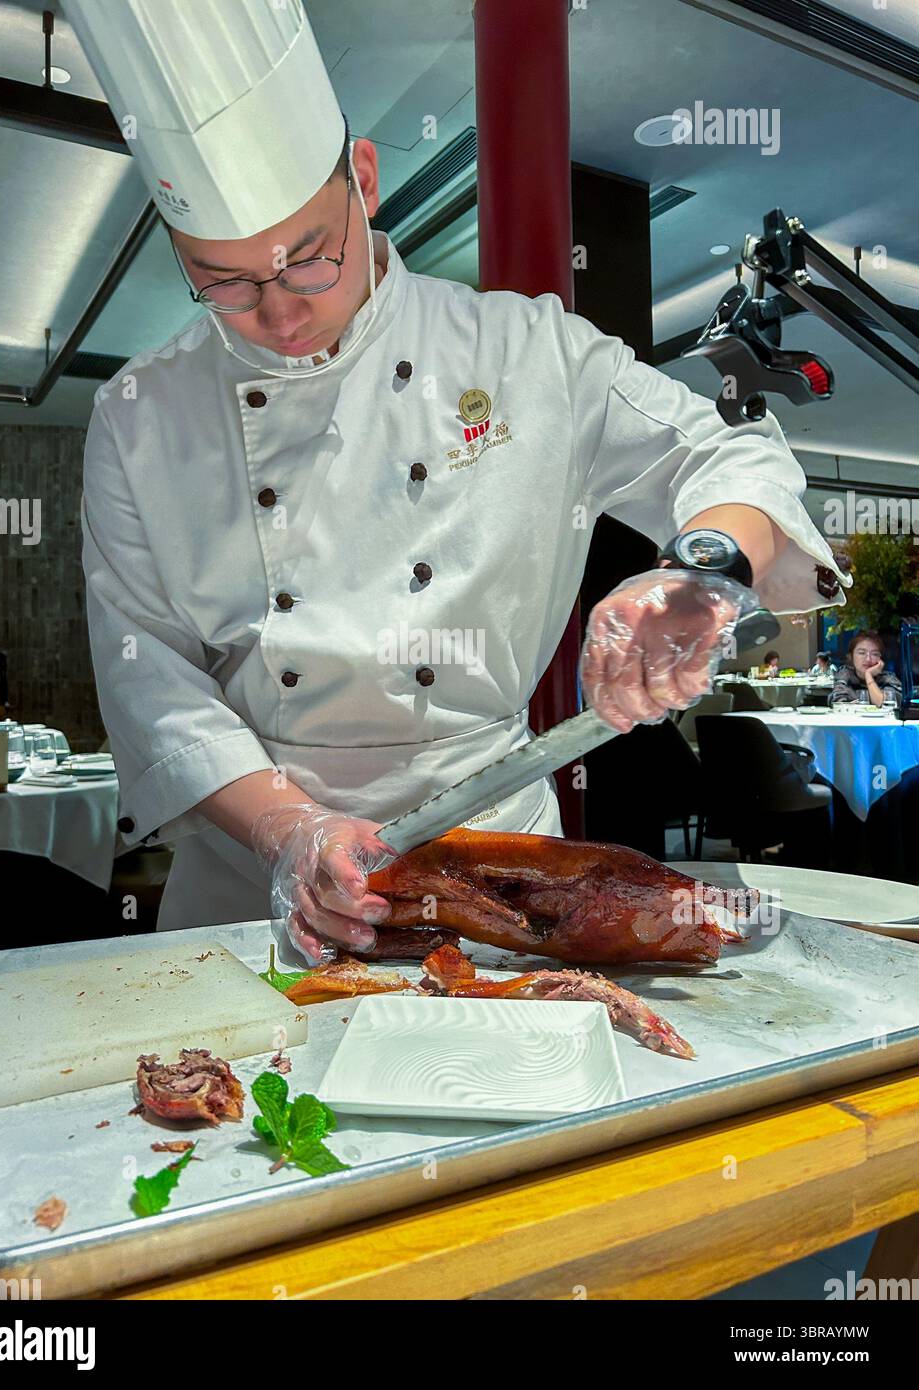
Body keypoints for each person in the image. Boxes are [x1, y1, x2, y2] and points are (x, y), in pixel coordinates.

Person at [78, 9, 847, 963]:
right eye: (222, 281)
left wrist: (701, 572)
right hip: (251, 883)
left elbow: (730, 454)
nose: (276, 311)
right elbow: (146, 675)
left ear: (362, 180)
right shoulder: (139, 412)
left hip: (501, 868)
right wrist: (290, 833)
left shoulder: (527, 349)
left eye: (309, 256)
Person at [830, 632, 901, 708]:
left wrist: (868, 675)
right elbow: (838, 703)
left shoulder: (888, 678)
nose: (868, 659)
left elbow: (885, 704)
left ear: (880, 658)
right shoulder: (845, 673)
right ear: (851, 656)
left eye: (874, 654)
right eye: (862, 653)